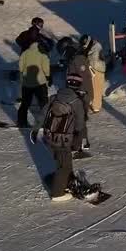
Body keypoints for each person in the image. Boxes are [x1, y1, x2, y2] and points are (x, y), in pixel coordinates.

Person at [33, 72, 89, 201]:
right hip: (64, 139)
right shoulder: (76, 102)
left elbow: (42, 115)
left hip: (50, 136)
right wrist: (80, 142)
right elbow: (80, 125)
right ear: (79, 85)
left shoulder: (54, 97)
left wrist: (35, 130)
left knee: (65, 161)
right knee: (63, 166)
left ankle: (66, 181)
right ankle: (57, 193)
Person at [17, 29, 52, 127]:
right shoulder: (42, 54)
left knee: (25, 103)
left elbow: (20, 67)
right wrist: (49, 78)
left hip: (27, 83)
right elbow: (46, 69)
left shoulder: (24, 53)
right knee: (44, 104)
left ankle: (21, 122)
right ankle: (47, 123)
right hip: (39, 83)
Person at [80, 34, 106, 114]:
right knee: (92, 87)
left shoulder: (96, 46)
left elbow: (93, 59)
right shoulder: (93, 45)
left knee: (96, 88)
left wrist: (85, 59)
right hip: (95, 69)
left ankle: (96, 107)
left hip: (97, 69)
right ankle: (93, 102)